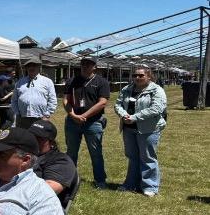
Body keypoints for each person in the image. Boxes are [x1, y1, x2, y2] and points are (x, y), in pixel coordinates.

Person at [0, 120, 77, 206]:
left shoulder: (60, 161)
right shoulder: (22, 155)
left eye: (39, 138)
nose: (34, 139)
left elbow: (47, 191)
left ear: (50, 142)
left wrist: (4, 193)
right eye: (31, 135)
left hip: (40, 210)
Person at [114, 66, 167, 197]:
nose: (137, 78)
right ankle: (130, 184)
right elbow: (117, 104)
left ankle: (150, 186)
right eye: (135, 75)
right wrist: (123, 115)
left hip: (148, 129)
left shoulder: (156, 90)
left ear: (149, 77)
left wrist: (134, 118)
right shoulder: (127, 89)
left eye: (141, 75)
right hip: (128, 129)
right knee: (132, 157)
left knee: (148, 157)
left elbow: (156, 109)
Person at [64, 57, 111, 188]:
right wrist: (73, 115)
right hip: (72, 122)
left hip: (93, 122)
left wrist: (83, 116)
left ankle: (100, 180)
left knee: (96, 152)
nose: (84, 66)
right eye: (83, 64)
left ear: (94, 67)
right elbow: (66, 100)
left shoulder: (101, 82)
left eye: (88, 64)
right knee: (71, 152)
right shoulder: (72, 81)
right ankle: (70, 180)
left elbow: (102, 103)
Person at [10, 58, 57, 128]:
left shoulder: (47, 81)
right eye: (29, 66)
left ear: (39, 67)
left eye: (34, 66)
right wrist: (17, 113)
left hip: (40, 117)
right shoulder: (20, 82)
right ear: (26, 68)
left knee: (38, 138)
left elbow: (52, 100)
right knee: (23, 138)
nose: (31, 68)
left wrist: (47, 114)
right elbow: (14, 100)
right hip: (22, 118)